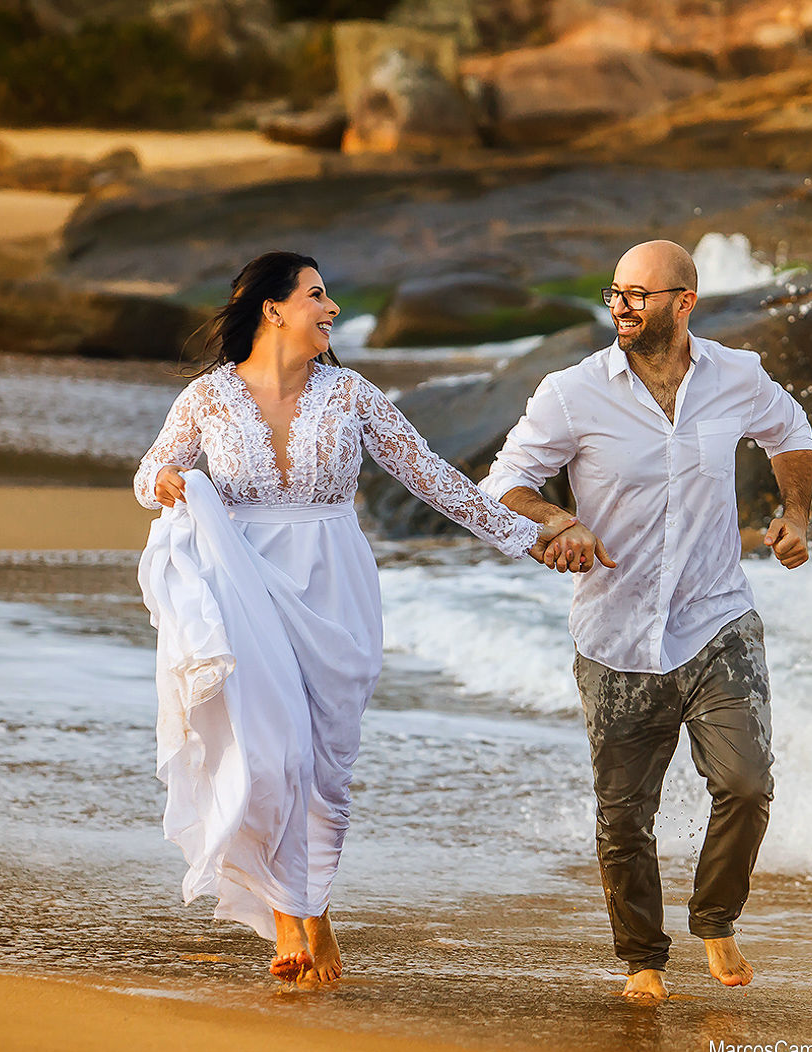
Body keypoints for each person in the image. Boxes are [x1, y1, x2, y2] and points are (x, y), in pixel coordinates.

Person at [134, 251, 569, 985]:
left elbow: (433, 478)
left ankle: (312, 908)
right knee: (272, 755)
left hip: (334, 586)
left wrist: (530, 538)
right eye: (317, 295)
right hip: (243, 582)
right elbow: (148, 477)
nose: (331, 309)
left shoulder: (350, 394)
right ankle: (291, 921)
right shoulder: (207, 399)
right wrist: (169, 479)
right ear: (273, 308)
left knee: (325, 767)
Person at [480, 239, 812, 1000]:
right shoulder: (572, 392)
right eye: (615, 293)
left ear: (684, 302)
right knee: (625, 816)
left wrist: (795, 514)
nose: (622, 306)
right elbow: (504, 483)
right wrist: (558, 522)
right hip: (616, 633)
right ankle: (642, 960)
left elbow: (791, 431)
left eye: (640, 294)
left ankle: (717, 918)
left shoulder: (737, 375)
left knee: (747, 783)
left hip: (715, 619)